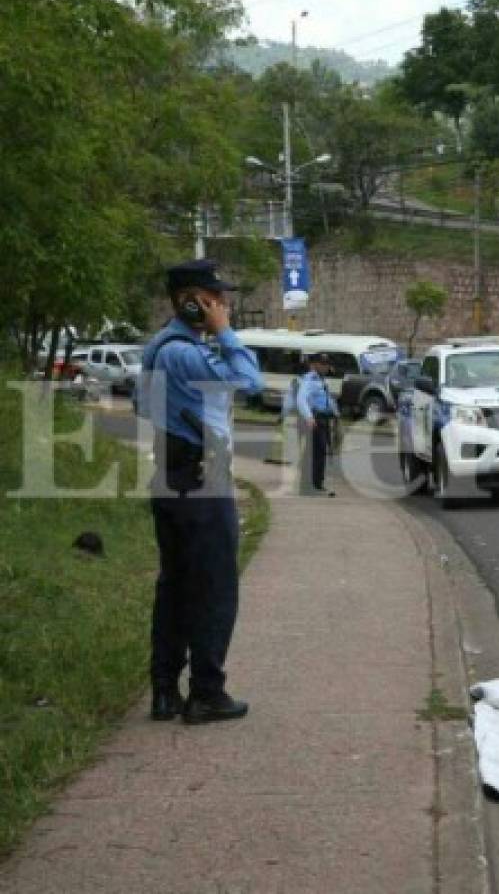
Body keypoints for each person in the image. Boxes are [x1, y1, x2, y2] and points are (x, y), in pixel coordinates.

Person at [136, 259, 262, 725]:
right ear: (193, 302)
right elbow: (251, 382)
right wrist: (226, 333)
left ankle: (164, 691)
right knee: (213, 589)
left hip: (171, 477)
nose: (224, 307)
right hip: (201, 482)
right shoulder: (185, 353)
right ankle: (206, 692)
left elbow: (138, 403)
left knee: (175, 587)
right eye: (216, 300)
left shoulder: (157, 347)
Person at [296, 352, 339, 496]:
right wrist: (309, 417)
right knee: (314, 452)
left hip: (324, 419)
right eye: (322, 364)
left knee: (322, 452)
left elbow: (327, 398)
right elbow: (301, 399)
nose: (325, 367)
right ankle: (310, 485)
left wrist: (335, 412)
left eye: (327, 364)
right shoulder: (309, 380)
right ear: (315, 365)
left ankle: (318, 483)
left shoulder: (322, 380)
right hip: (314, 420)